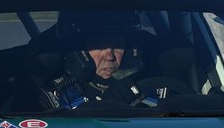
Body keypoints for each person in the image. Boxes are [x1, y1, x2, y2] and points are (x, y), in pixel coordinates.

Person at [40, 11, 172, 110]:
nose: (110, 56)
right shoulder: (57, 96)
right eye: (99, 46)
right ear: (80, 52)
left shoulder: (153, 90)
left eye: (118, 46)